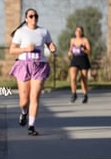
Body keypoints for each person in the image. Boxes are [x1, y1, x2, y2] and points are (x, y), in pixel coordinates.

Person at [9, 8, 57, 136]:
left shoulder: (43, 31)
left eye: (36, 15)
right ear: (26, 19)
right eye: (31, 16)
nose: (34, 18)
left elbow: (50, 43)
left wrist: (52, 47)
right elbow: (12, 50)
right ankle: (24, 113)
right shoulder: (20, 32)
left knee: (34, 96)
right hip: (24, 65)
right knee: (24, 100)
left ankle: (31, 126)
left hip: (40, 65)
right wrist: (25, 49)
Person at [67, 26, 91, 103]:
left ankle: (85, 95)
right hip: (75, 59)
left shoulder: (85, 40)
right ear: (75, 32)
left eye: (80, 30)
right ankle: (74, 94)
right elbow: (70, 50)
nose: (78, 32)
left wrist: (84, 49)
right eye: (77, 30)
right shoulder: (72, 40)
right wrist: (69, 52)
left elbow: (89, 51)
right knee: (73, 77)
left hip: (83, 59)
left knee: (83, 79)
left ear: (82, 32)